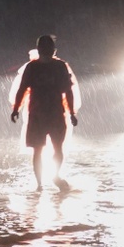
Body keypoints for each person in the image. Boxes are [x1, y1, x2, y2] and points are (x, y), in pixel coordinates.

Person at [10, 34, 78, 191]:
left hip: (40, 115)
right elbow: (68, 92)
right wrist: (72, 113)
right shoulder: (50, 67)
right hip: (50, 114)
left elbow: (22, 90)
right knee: (53, 149)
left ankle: (41, 184)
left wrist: (16, 109)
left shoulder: (41, 67)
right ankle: (47, 180)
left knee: (40, 150)